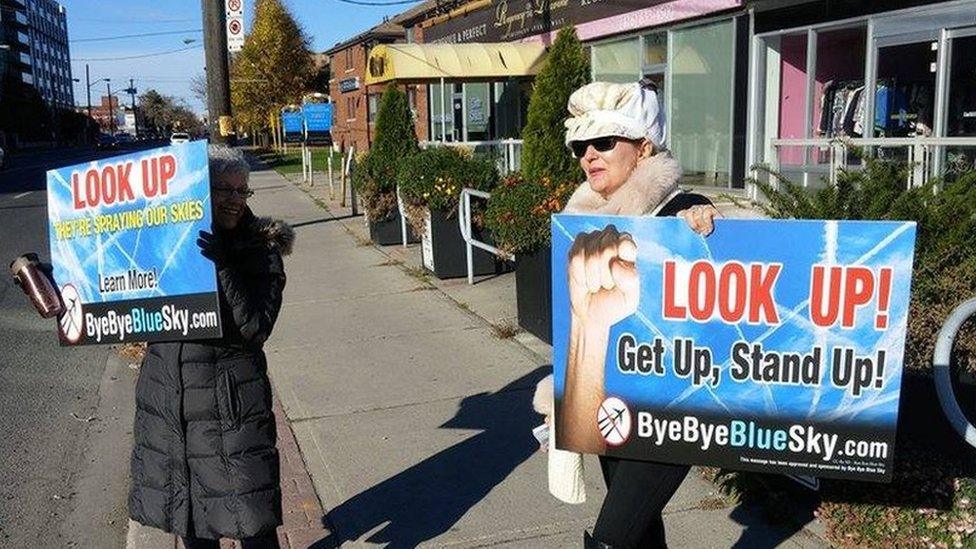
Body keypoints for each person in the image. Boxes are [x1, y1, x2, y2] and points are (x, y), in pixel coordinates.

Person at [534, 81, 720, 549]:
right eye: (581, 145)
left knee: (613, 536)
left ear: (643, 147)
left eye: (603, 142)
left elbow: (736, 273)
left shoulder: (681, 211)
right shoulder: (582, 223)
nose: (588, 155)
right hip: (611, 399)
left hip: (673, 408)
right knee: (640, 532)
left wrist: (708, 222)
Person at [127, 146, 294, 549]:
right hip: (169, 402)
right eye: (225, 190)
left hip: (229, 407)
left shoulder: (261, 248)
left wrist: (222, 266)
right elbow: (108, 291)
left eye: (243, 191)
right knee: (192, 521)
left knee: (251, 520)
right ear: (199, 192)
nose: (236, 200)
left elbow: (256, 328)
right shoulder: (160, 242)